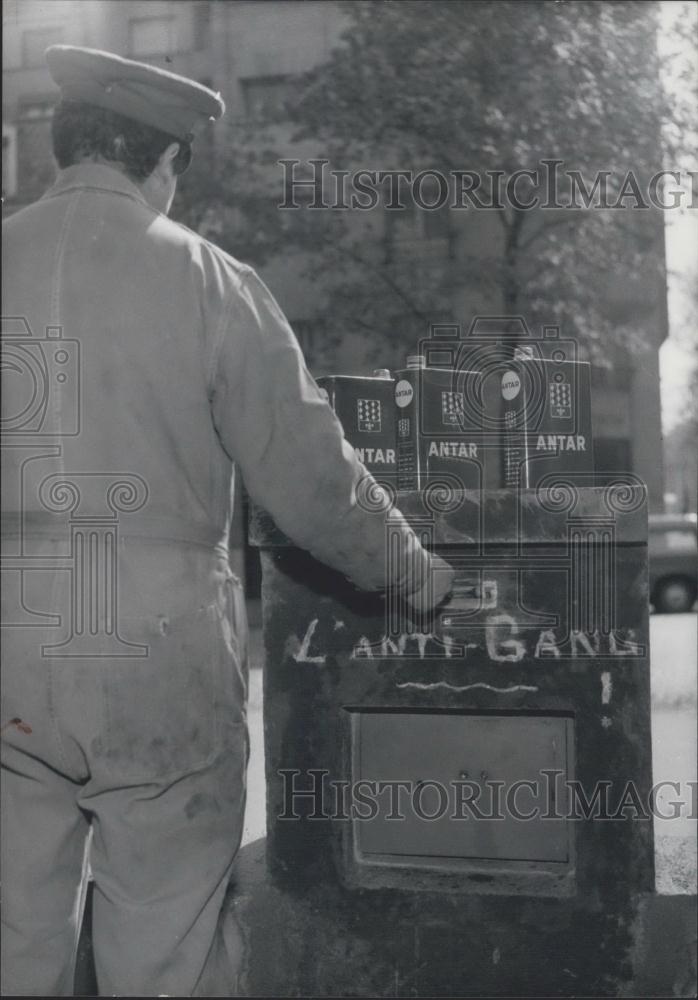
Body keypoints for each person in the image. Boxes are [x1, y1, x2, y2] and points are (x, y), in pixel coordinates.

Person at [0, 45, 454, 997]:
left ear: (59, 149)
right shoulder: (210, 280)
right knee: (165, 934)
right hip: (154, 653)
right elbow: (313, 482)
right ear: (165, 162)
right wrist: (413, 573)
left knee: (9, 935)